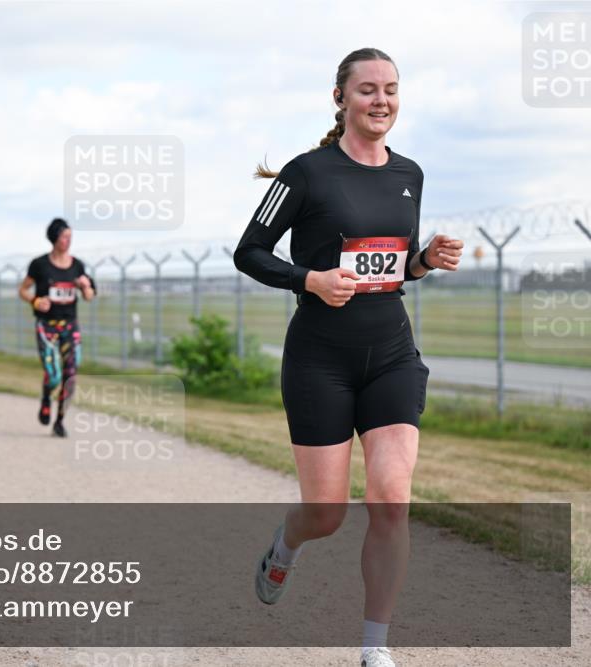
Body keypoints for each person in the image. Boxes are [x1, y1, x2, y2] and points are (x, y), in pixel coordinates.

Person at [233, 48, 463, 667]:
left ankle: (373, 648)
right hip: (320, 362)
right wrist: (309, 279)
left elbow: (395, 269)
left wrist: (425, 259)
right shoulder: (305, 172)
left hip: (390, 353)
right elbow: (249, 252)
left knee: (392, 499)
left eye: (390, 89)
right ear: (340, 99)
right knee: (326, 512)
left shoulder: (409, 173)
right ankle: (285, 547)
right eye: (366, 90)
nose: (380, 100)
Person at [17, 218, 95, 438]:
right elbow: (23, 290)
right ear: (54, 238)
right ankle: (45, 398)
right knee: (53, 376)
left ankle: (59, 421)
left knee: (70, 376)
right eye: (64, 236)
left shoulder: (78, 266)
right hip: (46, 327)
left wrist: (85, 287)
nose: (68, 240)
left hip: (71, 327)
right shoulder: (40, 265)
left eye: (70, 236)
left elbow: (89, 296)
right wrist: (34, 301)